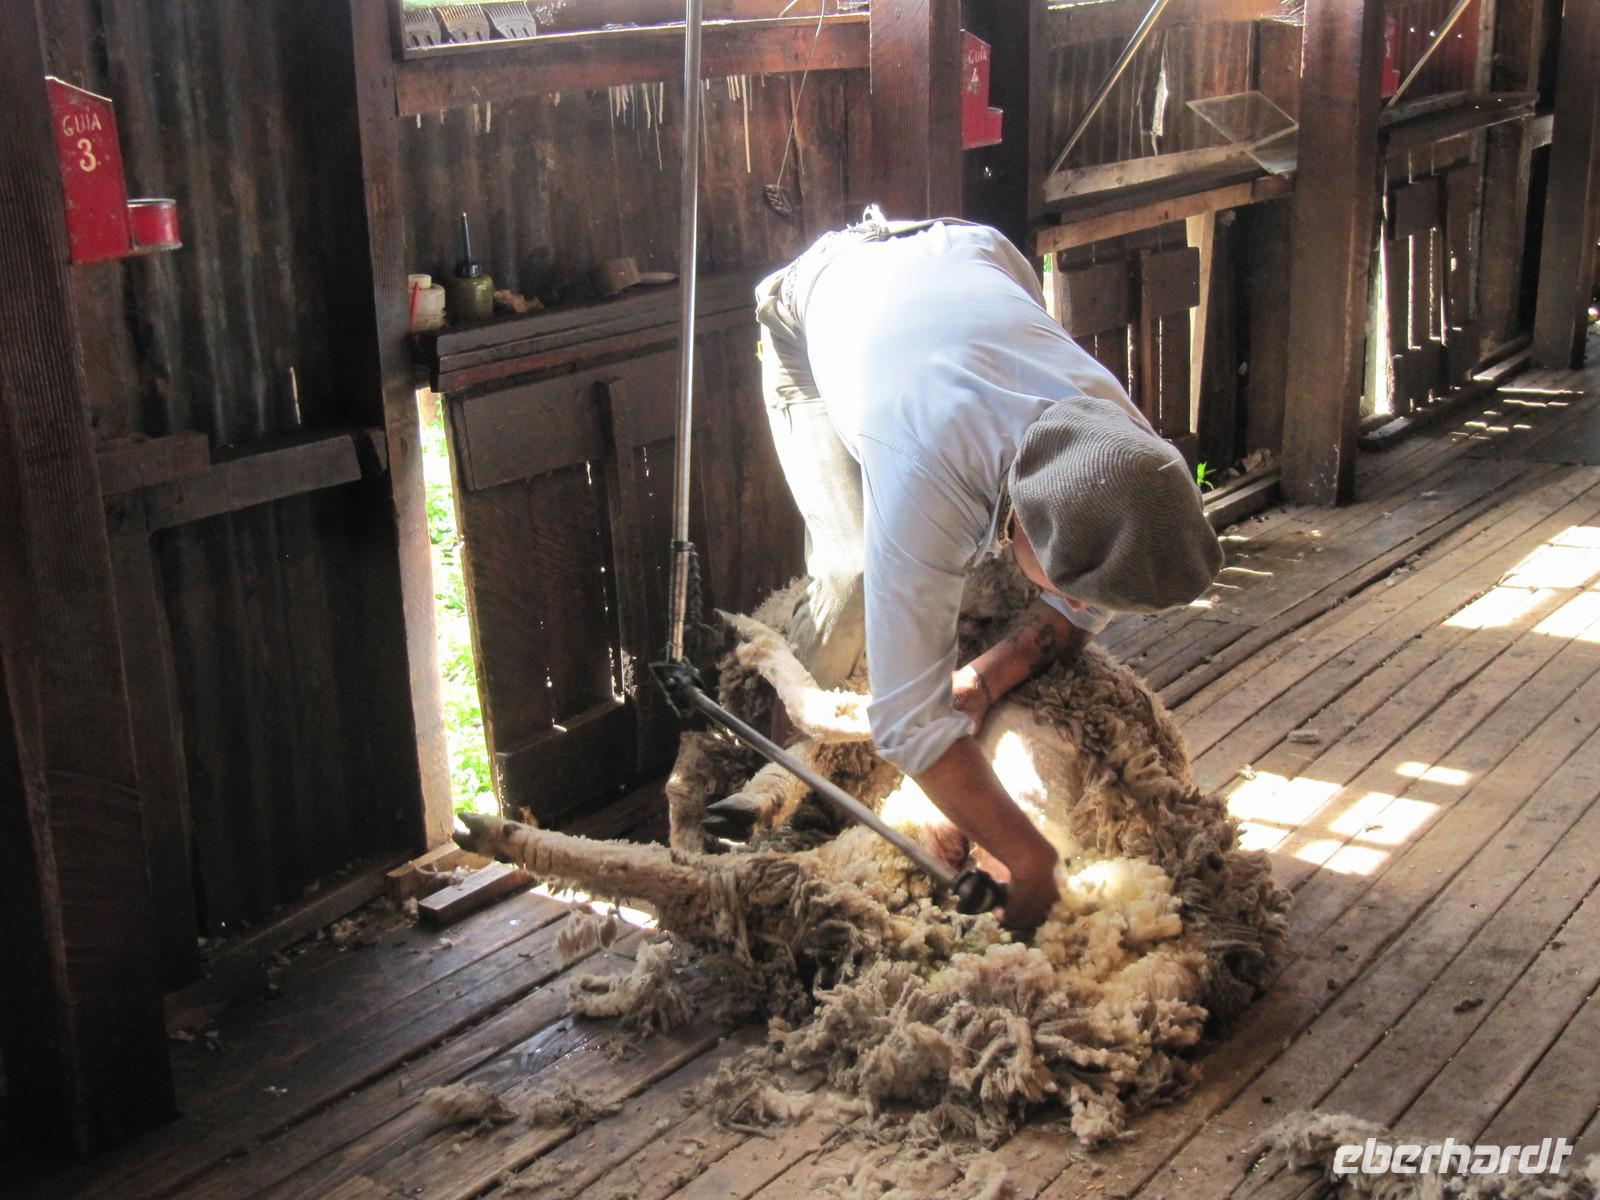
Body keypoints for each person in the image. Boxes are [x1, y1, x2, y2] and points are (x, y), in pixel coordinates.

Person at [713, 208, 1222, 929]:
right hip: (813, 312)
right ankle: (781, 759)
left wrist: (985, 679)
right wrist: (1031, 858)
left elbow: (1088, 582)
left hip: (973, 252)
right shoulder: (932, 473)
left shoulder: (1119, 443)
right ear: (1024, 527)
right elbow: (909, 725)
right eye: (1068, 580)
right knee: (854, 573)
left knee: (957, 584)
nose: (1083, 600)